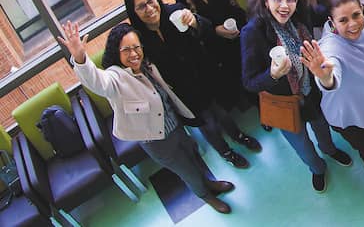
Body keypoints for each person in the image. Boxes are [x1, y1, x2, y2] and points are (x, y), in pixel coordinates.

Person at [62, 22, 235, 214]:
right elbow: (96, 81)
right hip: (157, 141)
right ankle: (206, 196)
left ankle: (210, 183)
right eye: (126, 49)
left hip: (176, 127)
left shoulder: (147, 66)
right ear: (116, 52)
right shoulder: (116, 78)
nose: (134, 54)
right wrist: (80, 57)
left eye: (136, 47)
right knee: (187, 171)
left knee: (194, 157)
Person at [125, 0, 260, 169]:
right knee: (207, 126)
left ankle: (239, 136)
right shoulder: (139, 38)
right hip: (181, 92)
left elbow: (207, 31)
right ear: (134, 12)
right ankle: (226, 152)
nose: (149, 8)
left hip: (204, 77)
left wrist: (195, 21)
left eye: (150, 0)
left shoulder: (176, 12)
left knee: (222, 114)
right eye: (141, 6)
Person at [240, 0, 353, 193]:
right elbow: (249, 82)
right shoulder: (252, 32)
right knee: (300, 143)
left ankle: (329, 150)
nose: (284, 6)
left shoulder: (302, 16)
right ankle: (317, 168)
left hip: (311, 92)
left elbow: (326, 12)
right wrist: (272, 75)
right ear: (265, 1)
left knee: (322, 126)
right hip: (283, 102)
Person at [301, 0, 364, 196]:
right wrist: (324, 75)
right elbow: (331, 76)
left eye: (356, 15)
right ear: (331, 22)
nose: (353, 24)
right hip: (350, 116)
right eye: (343, 20)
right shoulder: (330, 47)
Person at [173, 0, 249, 117]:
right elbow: (194, 28)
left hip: (241, 30)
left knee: (250, 65)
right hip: (215, 43)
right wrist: (216, 31)